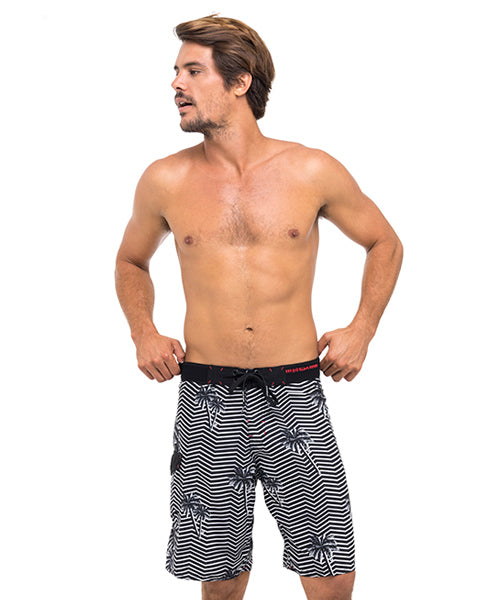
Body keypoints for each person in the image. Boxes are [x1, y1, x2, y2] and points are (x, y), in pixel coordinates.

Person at [114, 13, 403, 600]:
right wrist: (143, 331)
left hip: (294, 392)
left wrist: (363, 329)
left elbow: (385, 243)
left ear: (240, 81)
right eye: (176, 71)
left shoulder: (311, 169)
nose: (176, 84)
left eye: (193, 71)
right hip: (207, 395)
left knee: (331, 574)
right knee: (219, 579)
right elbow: (130, 261)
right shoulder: (164, 179)